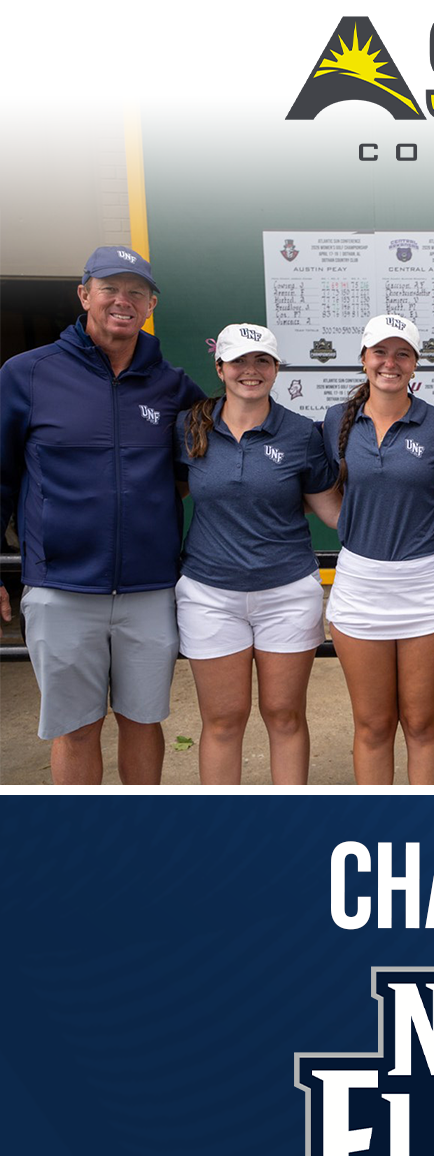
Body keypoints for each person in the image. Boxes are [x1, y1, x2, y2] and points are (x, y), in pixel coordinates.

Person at [0, 245, 203, 784]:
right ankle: (85, 854)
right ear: (84, 294)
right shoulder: (27, 373)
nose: (122, 300)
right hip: (61, 586)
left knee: (142, 721)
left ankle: (136, 848)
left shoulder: (174, 386)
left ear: (150, 304)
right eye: (109, 287)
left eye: (136, 291)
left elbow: (200, 468)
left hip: (150, 589)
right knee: (76, 728)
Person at [173, 324, 341, 785]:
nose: (251, 371)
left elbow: (333, 512)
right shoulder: (190, 427)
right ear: (220, 367)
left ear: (276, 368)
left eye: (262, 361)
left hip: (286, 592)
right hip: (209, 594)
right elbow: (169, 495)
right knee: (224, 721)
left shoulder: (302, 433)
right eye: (240, 362)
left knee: (284, 714)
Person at [322, 314, 434, 784]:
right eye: (380, 353)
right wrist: (350, 523)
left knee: (423, 722)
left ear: (414, 363)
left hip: (424, 585)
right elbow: (320, 488)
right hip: (359, 586)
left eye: (402, 353)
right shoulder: (334, 422)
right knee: (373, 724)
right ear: (364, 360)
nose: (390, 362)